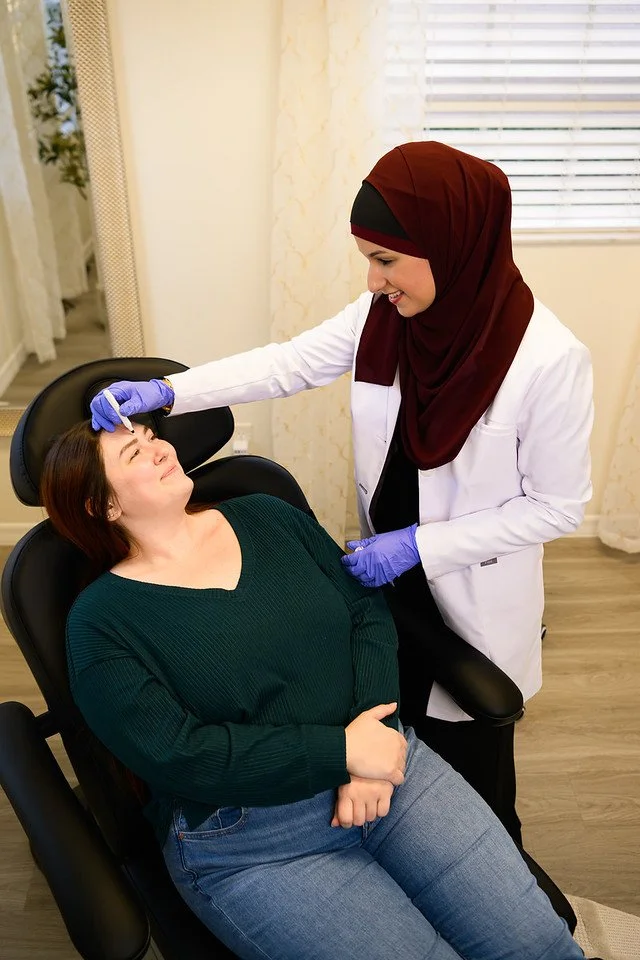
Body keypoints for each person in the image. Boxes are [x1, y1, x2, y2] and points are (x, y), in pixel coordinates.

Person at [89, 140, 594, 845]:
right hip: (381, 579)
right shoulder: (382, 319)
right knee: (395, 742)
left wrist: (421, 545)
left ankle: (496, 866)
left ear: (450, 245)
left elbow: (558, 507)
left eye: (385, 260)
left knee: (477, 776)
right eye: (367, 259)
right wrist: (172, 391)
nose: (371, 281)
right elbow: (287, 364)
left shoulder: (547, 360)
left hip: (462, 582)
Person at [40, 418, 591, 960]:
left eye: (151, 436)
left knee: (539, 945)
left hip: (390, 767)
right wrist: (342, 753)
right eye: (133, 454)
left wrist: (372, 739)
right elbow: (178, 753)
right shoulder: (100, 622)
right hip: (257, 840)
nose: (159, 448)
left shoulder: (265, 515)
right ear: (103, 506)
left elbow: (366, 613)